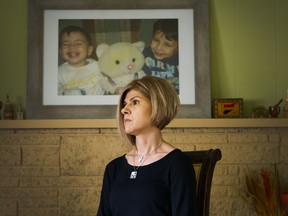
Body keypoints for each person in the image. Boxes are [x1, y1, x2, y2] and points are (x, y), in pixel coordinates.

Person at [97, 76, 196, 216]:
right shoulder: (114, 168)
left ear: (158, 105)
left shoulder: (177, 165)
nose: (124, 110)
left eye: (135, 102)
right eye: (124, 104)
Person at [58, 25, 113, 95]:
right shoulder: (58, 73)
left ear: (89, 50)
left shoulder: (98, 66)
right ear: (60, 51)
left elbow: (110, 80)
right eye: (66, 44)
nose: (71, 47)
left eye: (78, 43)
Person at [142, 19, 179, 93]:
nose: (158, 48)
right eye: (156, 40)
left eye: (167, 45)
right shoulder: (143, 54)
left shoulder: (183, 60)